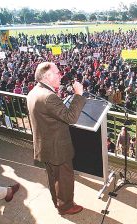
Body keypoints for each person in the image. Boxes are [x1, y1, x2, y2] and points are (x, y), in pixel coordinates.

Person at [26, 62, 86, 215]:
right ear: (47, 76)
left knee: (54, 178)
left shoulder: (34, 92)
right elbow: (71, 117)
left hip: (45, 145)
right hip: (57, 148)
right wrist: (78, 94)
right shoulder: (49, 97)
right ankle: (66, 207)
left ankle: (58, 202)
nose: (60, 75)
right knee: (64, 178)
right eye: (57, 72)